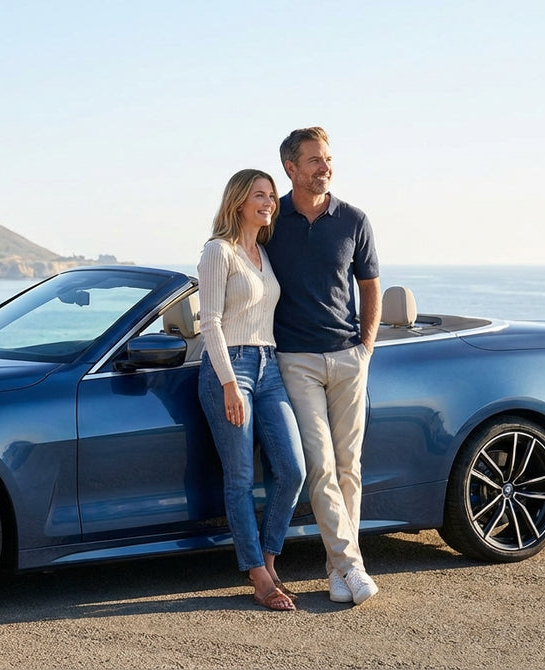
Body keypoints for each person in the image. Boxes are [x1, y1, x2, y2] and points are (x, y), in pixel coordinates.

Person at [265, 127, 382, 605]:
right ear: (290, 168)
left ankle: (337, 571)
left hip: (349, 357)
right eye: (314, 160)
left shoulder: (353, 219)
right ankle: (353, 566)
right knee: (321, 465)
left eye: (327, 159)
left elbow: (370, 285)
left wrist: (366, 346)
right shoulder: (272, 223)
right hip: (296, 360)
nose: (324, 167)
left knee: (349, 467)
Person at [196, 168, 306, 612]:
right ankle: (258, 576)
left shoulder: (263, 252)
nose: (269, 202)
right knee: (239, 477)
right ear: (238, 201)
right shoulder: (216, 252)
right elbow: (210, 323)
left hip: (270, 366)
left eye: (272, 196)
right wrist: (228, 383)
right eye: (259, 194)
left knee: (293, 469)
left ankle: (268, 559)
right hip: (232, 368)